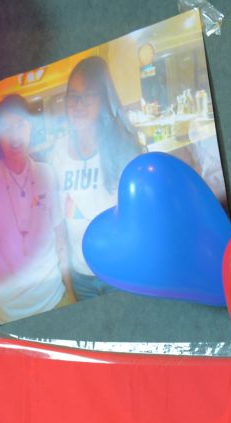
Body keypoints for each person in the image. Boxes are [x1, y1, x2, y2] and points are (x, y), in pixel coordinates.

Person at [0, 94, 71, 326]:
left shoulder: (47, 173)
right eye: (6, 128)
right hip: (12, 314)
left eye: (20, 124)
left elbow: (60, 238)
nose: (14, 135)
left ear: (30, 126)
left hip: (57, 299)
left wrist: (71, 293)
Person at [48, 56, 144, 300]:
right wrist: (68, 281)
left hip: (122, 272)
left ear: (103, 99)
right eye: (72, 95)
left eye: (88, 95)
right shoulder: (57, 152)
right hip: (82, 281)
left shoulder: (123, 148)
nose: (77, 104)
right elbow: (59, 222)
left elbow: (140, 218)